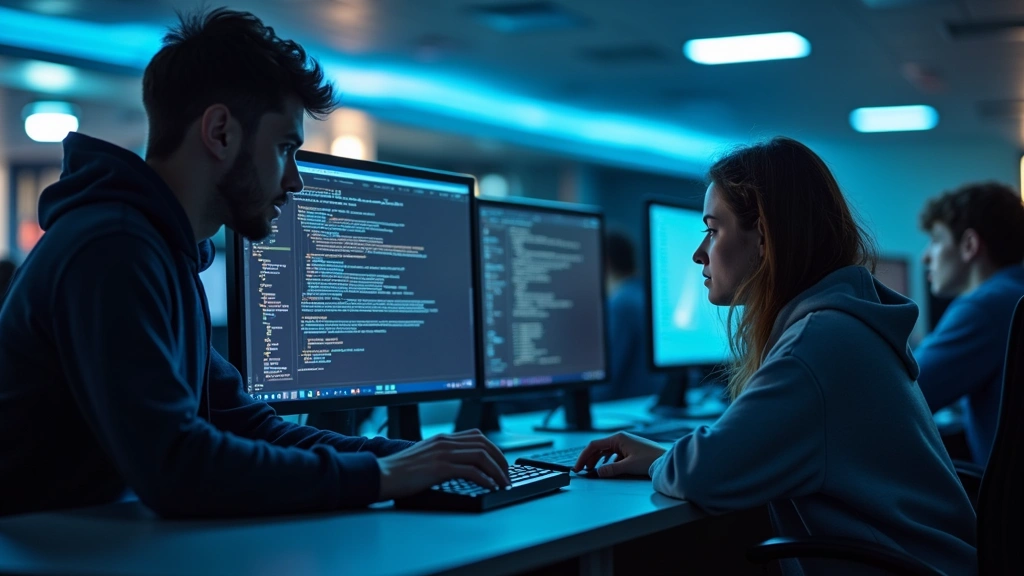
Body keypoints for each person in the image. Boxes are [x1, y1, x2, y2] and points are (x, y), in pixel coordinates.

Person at [0, 7, 509, 519]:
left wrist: (407, 457)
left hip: (95, 542)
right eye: (285, 148)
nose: (295, 181)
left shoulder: (161, 250)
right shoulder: (113, 249)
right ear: (220, 132)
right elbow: (177, 467)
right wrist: (382, 477)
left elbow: (247, 425)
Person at [574, 137, 976, 575]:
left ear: (763, 235)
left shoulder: (819, 344)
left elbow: (704, 475)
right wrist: (662, 456)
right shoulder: (842, 326)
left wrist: (667, 460)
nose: (699, 253)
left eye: (713, 229)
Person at [916, 182, 1024, 466]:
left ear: (969, 245)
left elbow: (903, 395)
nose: (926, 256)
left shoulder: (984, 307)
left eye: (937, 239)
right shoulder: (1014, 293)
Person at [592, 231, 665, 402]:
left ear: (604, 261)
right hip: (647, 404)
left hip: (622, 408)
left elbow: (605, 382)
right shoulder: (648, 298)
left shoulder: (620, 305)